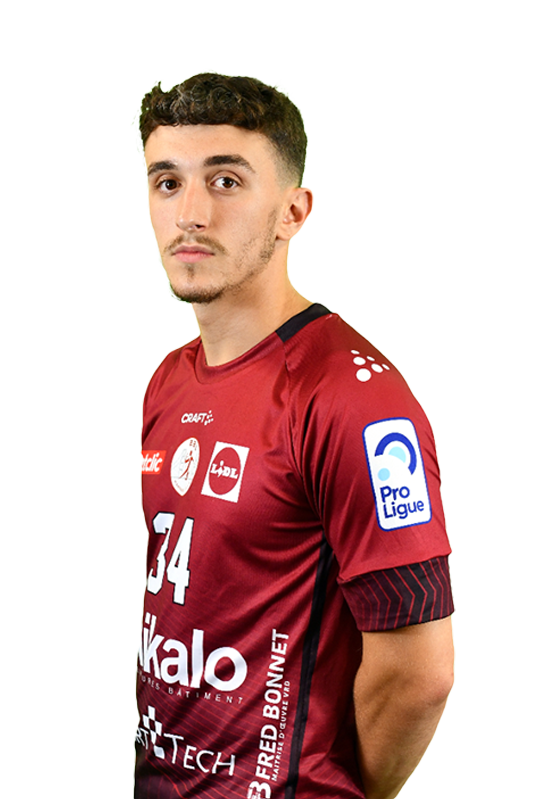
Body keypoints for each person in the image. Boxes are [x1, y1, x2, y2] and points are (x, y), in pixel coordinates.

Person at [133, 72, 455, 800]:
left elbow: (420, 673)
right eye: (167, 182)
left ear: (292, 211)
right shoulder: (169, 379)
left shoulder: (351, 396)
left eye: (225, 181)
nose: (190, 214)